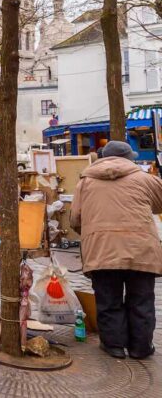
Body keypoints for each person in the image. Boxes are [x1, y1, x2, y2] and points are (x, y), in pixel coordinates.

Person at [71, 140, 162, 360]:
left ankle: (114, 346)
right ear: (130, 158)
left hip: (101, 249)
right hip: (140, 249)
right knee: (141, 300)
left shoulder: (85, 182)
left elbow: (75, 219)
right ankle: (141, 347)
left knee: (108, 299)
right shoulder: (145, 179)